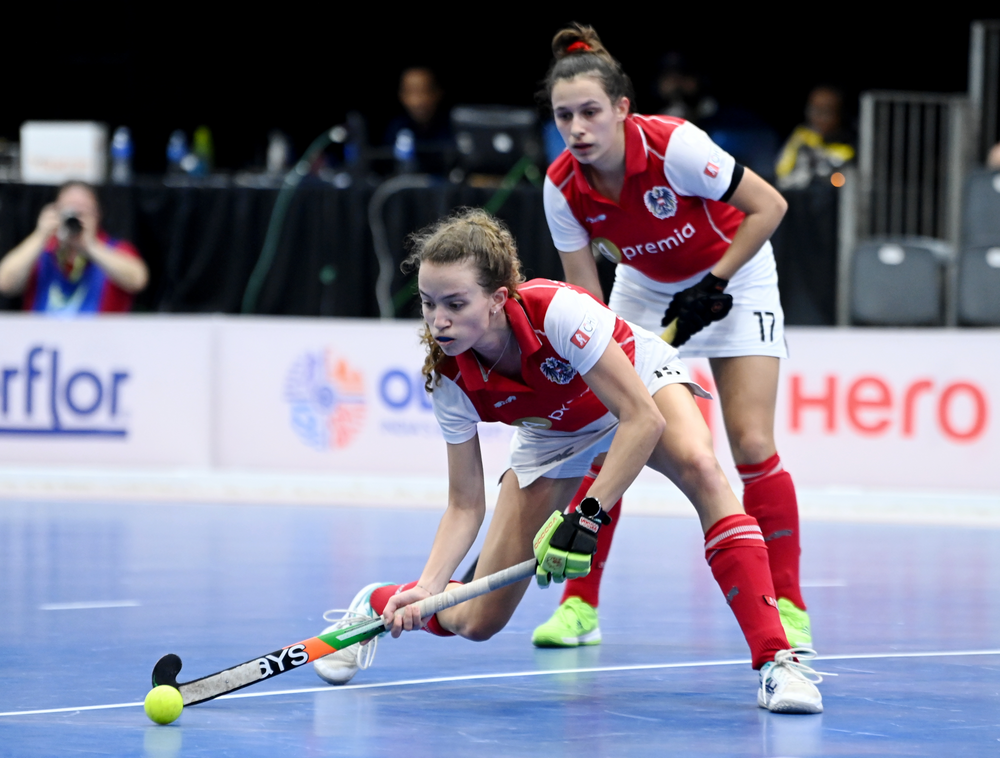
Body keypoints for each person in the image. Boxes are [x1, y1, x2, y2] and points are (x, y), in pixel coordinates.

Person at [312, 208, 825, 714]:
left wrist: (588, 515)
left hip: (637, 389)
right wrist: (427, 587)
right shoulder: (448, 378)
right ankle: (375, 602)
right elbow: (465, 504)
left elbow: (642, 419)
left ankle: (778, 661)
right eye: (428, 303)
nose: (439, 320)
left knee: (702, 469)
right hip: (551, 438)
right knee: (476, 621)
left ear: (497, 299)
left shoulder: (558, 312)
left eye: (455, 303)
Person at [531, 24, 813, 659]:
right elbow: (584, 303)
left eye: (590, 112)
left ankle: (789, 605)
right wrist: (594, 368)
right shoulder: (561, 186)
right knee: (610, 437)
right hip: (643, 288)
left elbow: (769, 206)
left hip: (737, 270)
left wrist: (713, 284)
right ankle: (579, 605)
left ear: (622, 109)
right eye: (564, 116)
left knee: (752, 444)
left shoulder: (673, 146)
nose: (577, 128)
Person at [0, 181, 148, 313]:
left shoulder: (114, 249)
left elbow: (137, 280)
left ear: (97, 214)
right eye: (69, 209)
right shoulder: (41, 249)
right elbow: (5, 283)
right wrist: (40, 235)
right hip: (43, 333)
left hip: (100, 334)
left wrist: (91, 247)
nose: (75, 217)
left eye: (83, 210)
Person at [775, 86, 855, 191]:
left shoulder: (849, 148)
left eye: (825, 112)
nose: (818, 117)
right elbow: (782, 174)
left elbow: (840, 182)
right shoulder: (802, 136)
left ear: (841, 114)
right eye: (813, 110)